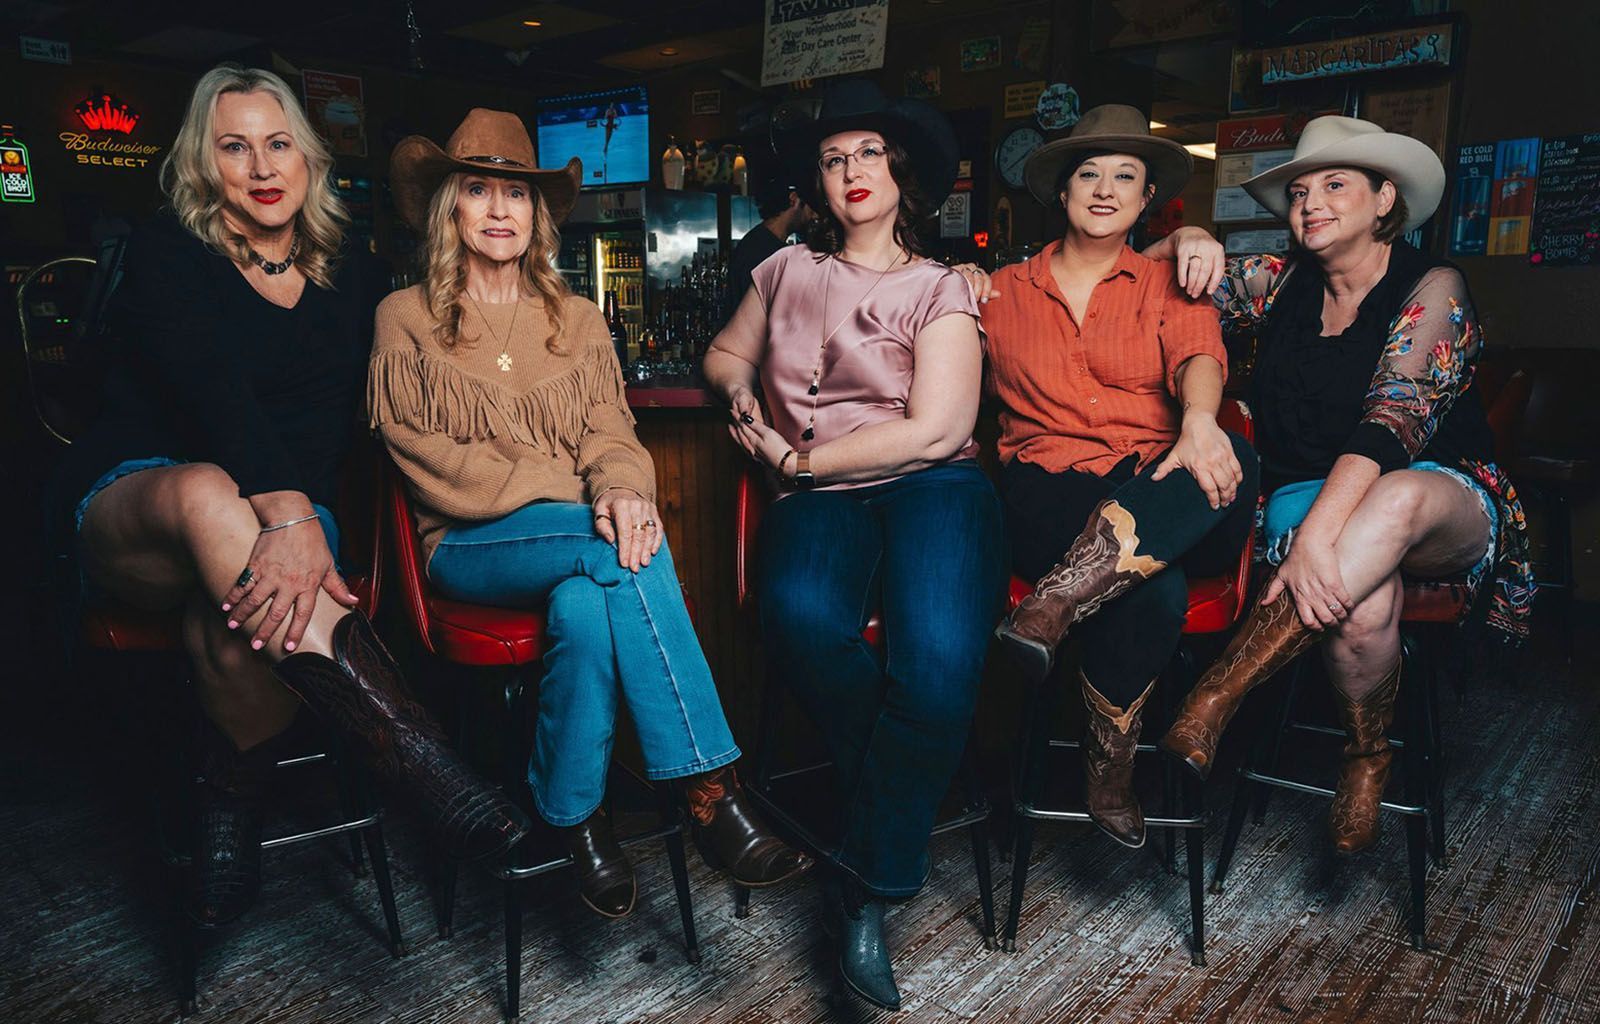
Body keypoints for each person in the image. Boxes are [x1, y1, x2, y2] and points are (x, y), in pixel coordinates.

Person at [52, 65, 528, 929]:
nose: (261, 166)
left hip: (285, 524)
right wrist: (292, 515)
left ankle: (226, 802)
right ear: (206, 164)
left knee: (233, 636)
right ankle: (429, 768)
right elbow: (213, 400)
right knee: (206, 491)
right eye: (234, 147)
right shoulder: (170, 251)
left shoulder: (357, 277)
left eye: (278, 144)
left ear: (309, 161)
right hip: (147, 504)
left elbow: (377, 405)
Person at [374, 109, 809, 920]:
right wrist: (573, 494)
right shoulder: (405, 318)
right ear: (450, 208)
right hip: (468, 545)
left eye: (517, 193)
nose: (500, 208)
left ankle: (574, 822)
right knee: (613, 547)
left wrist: (617, 487)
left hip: (574, 543)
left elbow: (611, 433)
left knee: (593, 584)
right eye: (478, 190)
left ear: (538, 214)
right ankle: (711, 792)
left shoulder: (574, 319)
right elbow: (430, 463)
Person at [1148, 116, 1534, 853]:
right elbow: (1142, 277)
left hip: (1437, 494)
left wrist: (1314, 543)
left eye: (1334, 185)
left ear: (1385, 198)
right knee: (1361, 606)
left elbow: (1390, 429)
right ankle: (1366, 753)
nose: (1310, 203)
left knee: (1396, 498)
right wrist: (1182, 239)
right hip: (1305, 495)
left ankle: (1217, 694)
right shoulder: (1276, 282)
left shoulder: (1434, 286)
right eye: (1298, 191)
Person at [703, 79, 1003, 1011]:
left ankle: (865, 889)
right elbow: (723, 355)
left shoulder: (943, 286)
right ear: (818, 185)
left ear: (900, 171)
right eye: (834, 161)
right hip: (816, 491)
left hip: (929, 486)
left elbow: (935, 427)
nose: (851, 171)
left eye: (868, 153)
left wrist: (796, 461)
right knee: (796, 617)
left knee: (942, 664)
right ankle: (903, 799)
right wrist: (744, 406)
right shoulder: (784, 271)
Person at [954, 104, 1258, 849]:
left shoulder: (1169, 282)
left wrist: (1197, 421)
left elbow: (1198, 357)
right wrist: (948, 284)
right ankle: (1109, 764)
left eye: (1125, 176)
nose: (1104, 189)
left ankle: (1052, 606)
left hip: (1160, 477)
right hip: (1044, 488)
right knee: (1153, 589)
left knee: (1236, 457)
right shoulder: (998, 292)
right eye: (1087, 174)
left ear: (1146, 198)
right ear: (1061, 193)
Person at [720, 173, 811, 325]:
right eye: (810, 207)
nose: (812, 215)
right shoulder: (765, 252)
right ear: (794, 199)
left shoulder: (757, 241)